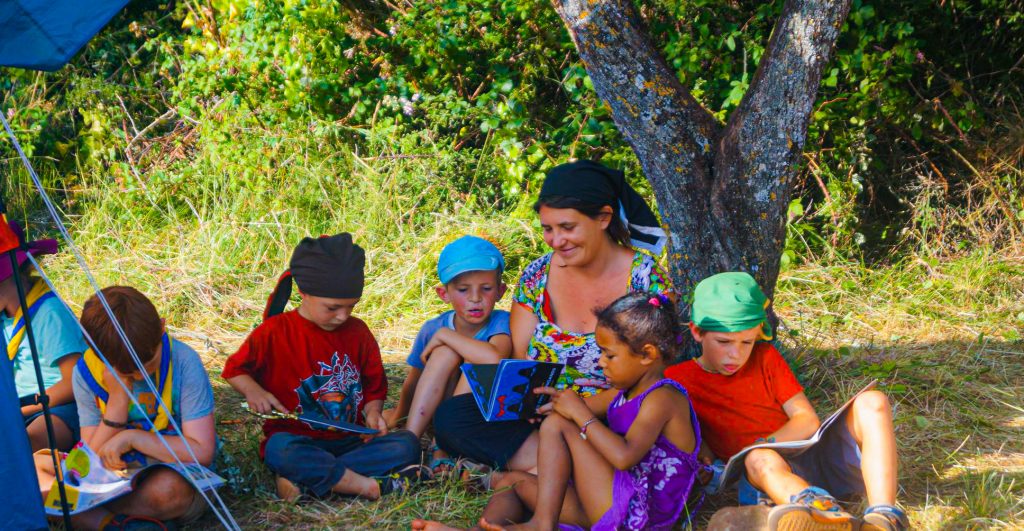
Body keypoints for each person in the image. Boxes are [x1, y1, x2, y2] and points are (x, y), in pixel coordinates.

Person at [433, 160, 675, 473]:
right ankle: (562, 470)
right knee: (453, 417)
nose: (556, 241)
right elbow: (520, 361)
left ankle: (551, 473)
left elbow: (654, 375)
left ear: (603, 218)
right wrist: (526, 404)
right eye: (548, 229)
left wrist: (578, 409)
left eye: (568, 227)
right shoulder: (537, 275)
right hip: (541, 416)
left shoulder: (646, 279)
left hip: (611, 418)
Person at [412, 292, 701, 531]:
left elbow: (625, 457)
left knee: (560, 423)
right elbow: (576, 410)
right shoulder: (625, 392)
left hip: (639, 515)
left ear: (648, 355)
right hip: (611, 499)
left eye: (609, 355)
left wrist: (578, 415)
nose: (601, 363)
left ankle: (542, 525)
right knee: (513, 483)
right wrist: (545, 405)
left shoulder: (663, 396)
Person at [666, 272, 908, 531]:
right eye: (723, 342)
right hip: (769, 477)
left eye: (746, 342)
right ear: (696, 331)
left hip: (812, 453)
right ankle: (822, 514)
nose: (735, 354)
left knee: (873, 401)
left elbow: (806, 420)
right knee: (759, 459)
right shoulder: (676, 381)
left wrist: (759, 444)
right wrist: (706, 463)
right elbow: (693, 442)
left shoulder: (764, 357)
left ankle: (883, 518)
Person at [222, 233, 423, 502]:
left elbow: (374, 387)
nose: (343, 316)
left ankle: (307, 482)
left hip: (350, 440)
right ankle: (368, 486)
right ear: (304, 293)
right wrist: (253, 391)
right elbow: (235, 370)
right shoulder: (274, 331)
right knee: (281, 450)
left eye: (351, 306)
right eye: (332, 308)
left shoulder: (358, 332)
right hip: (298, 440)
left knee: (407, 444)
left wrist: (373, 413)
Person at [41, 286, 218, 530]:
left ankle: (93, 518)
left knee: (168, 491)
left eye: (148, 362)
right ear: (99, 356)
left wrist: (133, 438)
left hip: (169, 473)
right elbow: (90, 456)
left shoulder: (184, 362)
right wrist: (117, 402)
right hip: (114, 476)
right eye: (128, 371)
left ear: (162, 326)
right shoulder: (87, 374)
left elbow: (202, 452)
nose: (140, 374)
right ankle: (117, 523)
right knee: (35, 471)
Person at [381, 235, 511, 474]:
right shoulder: (433, 328)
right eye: (463, 290)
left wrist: (446, 336)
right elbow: (415, 380)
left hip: (474, 418)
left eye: (486, 288)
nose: (475, 298)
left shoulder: (501, 322)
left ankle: (443, 446)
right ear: (444, 294)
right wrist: (399, 415)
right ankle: (409, 442)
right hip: (437, 408)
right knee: (444, 354)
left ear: (501, 291)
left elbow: (495, 358)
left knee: (474, 357)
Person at [0, 220, 86, 451]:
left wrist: (21, 409)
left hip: (59, 408)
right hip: (16, 408)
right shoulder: (4, 317)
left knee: (23, 446)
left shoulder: (49, 313)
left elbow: (74, 382)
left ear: (7, 277)